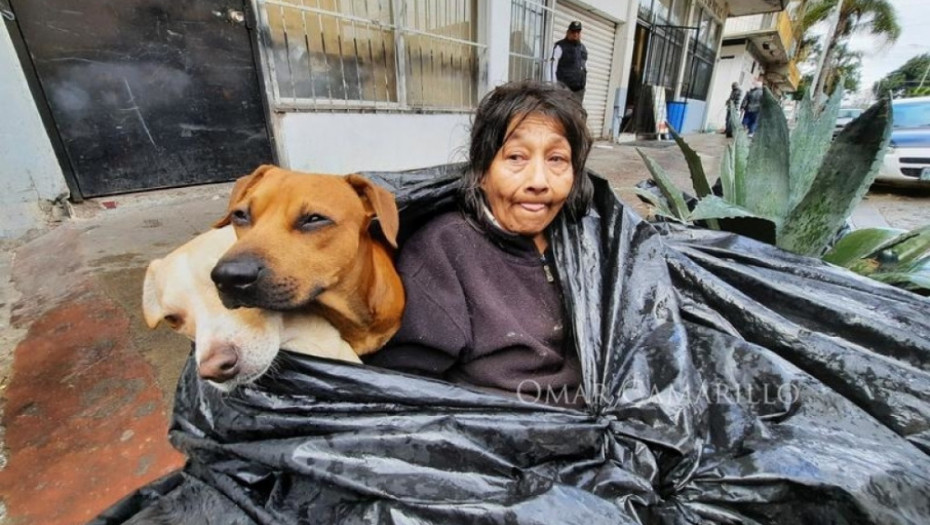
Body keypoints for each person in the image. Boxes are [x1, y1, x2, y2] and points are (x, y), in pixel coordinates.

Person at [366, 80, 594, 407]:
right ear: (482, 171)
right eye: (516, 156)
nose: (539, 182)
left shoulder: (583, 239)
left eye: (557, 159)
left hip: (592, 419)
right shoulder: (443, 250)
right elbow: (405, 394)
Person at [549, 21, 588, 104]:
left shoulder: (582, 48)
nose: (575, 34)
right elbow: (551, 67)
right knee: (563, 114)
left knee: (576, 115)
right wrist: (553, 87)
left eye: (578, 32)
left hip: (579, 91)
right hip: (563, 90)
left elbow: (583, 67)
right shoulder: (559, 46)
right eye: (573, 32)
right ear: (568, 32)